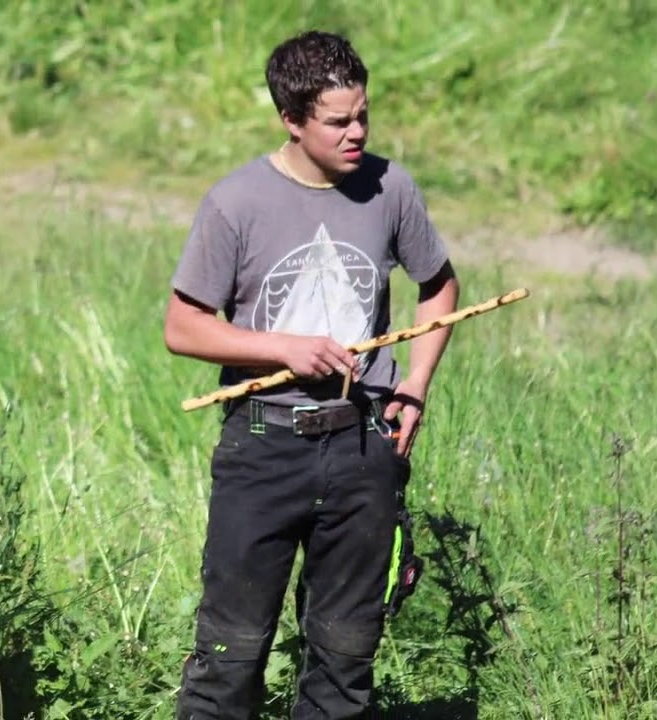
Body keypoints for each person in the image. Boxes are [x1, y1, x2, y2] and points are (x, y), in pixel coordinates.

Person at [164, 31, 461, 719]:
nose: (356, 132)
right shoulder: (236, 201)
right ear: (291, 120)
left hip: (363, 445)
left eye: (363, 115)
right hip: (263, 449)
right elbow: (183, 328)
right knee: (229, 656)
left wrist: (414, 384)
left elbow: (439, 288)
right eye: (337, 121)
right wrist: (282, 350)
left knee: (345, 654)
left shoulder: (391, 188)